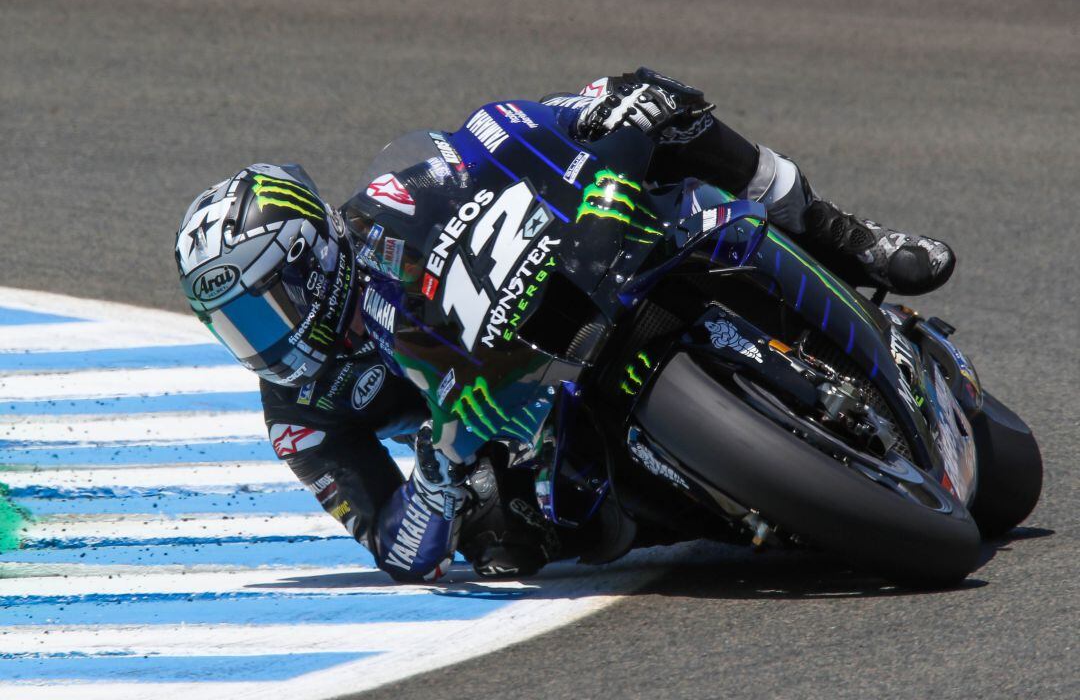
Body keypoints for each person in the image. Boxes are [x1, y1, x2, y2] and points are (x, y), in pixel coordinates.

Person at [174, 69, 955, 582]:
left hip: (571, 277)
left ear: (314, 257)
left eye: (261, 308)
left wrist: (595, 112)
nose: (258, 340)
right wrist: (439, 473)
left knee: (656, 106)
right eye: (233, 325)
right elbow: (397, 552)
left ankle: (852, 237)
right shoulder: (298, 417)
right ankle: (706, 505)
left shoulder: (397, 199)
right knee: (495, 543)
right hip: (502, 416)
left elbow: (499, 134)